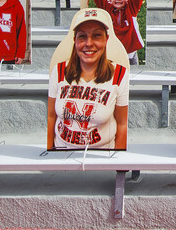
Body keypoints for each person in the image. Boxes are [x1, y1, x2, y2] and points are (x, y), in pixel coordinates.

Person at [48, 8, 129, 150]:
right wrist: (49, 154)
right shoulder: (59, 71)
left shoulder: (119, 75)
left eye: (97, 35)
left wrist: (119, 163)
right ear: (75, 40)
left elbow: (122, 124)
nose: (89, 43)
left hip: (102, 155)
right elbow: (50, 117)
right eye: (82, 36)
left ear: (106, 39)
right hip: (62, 153)